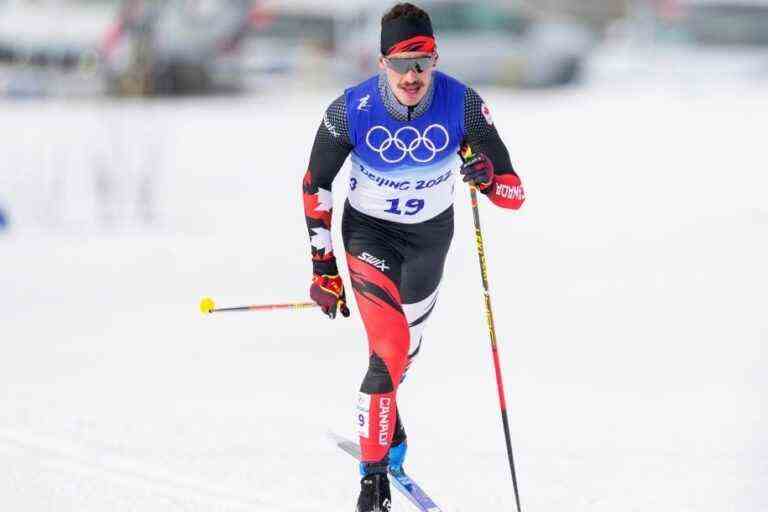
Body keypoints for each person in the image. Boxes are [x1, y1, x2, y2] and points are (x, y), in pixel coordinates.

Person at [302, 3, 525, 511]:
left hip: (430, 240)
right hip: (370, 237)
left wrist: (487, 177)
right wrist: (324, 269)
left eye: (423, 61)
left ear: (436, 60)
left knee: (401, 362)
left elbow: (515, 193)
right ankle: (372, 480)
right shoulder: (349, 111)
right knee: (389, 348)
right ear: (382, 63)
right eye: (401, 62)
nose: (413, 74)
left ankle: (389, 442)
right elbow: (315, 187)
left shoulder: (463, 104)